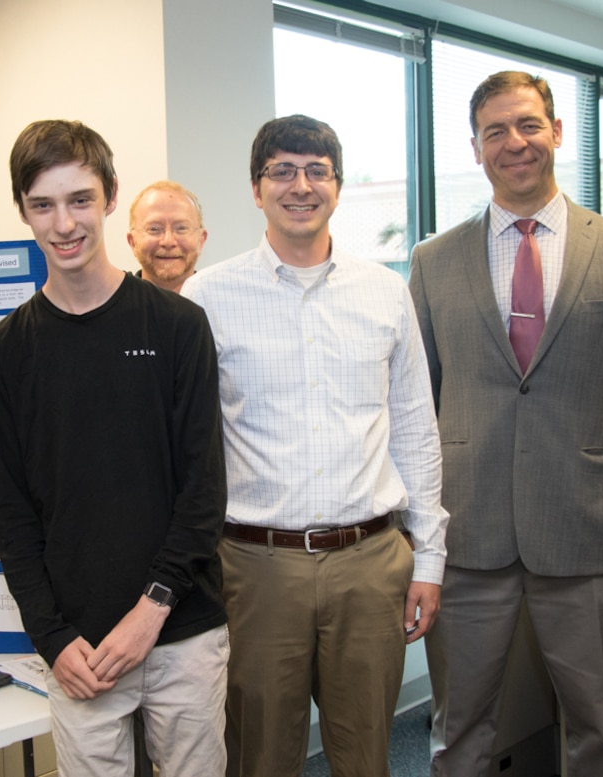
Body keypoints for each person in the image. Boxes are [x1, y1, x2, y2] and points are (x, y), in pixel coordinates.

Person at [408, 71, 603, 776]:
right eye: (496, 131)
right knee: (459, 729)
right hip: (466, 532)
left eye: (528, 124)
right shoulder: (433, 260)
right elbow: (413, 406)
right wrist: (414, 535)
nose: (515, 142)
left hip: (592, 528)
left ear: (557, 132)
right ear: (475, 148)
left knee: (597, 730)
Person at [182, 114, 450, 777]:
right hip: (255, 565)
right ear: (255, 188)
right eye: (282, 170)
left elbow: (416, 427)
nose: (300, 185)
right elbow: (187, 443)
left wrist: (430, 558)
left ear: (337, 185)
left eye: (316, 170)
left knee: (366, 755)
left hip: (370, 561)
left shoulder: (385, 292)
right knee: (260, 755)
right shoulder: (208, 296)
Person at [0, 119, 229, 777]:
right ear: (23, 211)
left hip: (180, 629)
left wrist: (152, 607)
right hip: (77, 649)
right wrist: (51, 638)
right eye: (43, 205)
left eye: (79, 199)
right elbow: (14, 512)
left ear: (111, 196)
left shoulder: (176, 326)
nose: (64, 223)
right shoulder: (3, 353)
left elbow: (202, 491)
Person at [128, 180, 208, 291]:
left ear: (201, 241)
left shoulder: (220, 304)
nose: (168, 242)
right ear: (132, 243)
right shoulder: (115, 307)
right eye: (154, 229)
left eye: (181, 228)